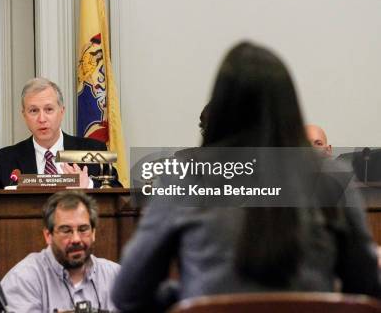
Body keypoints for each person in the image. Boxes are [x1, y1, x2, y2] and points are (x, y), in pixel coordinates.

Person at [112, 41, 381, 312]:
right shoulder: (331, 178)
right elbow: (366, 286)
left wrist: (189, 299)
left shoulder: (184, 179)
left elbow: (128, 294)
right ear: (289, 108)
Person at [0, 77, 120, 189]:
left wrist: (89, 185)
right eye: (33, 111)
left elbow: (119, 195)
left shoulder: (94, 151)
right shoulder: (5, 159)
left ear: (61, 112)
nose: (42, 119)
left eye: (49, 109)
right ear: (24, 116)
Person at [1, 190, 120, 312]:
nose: (76, 239)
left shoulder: (116, 276)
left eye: (83, 229)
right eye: (66, 230)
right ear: (48, 235)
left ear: (93, 233)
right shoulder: (23, 279)